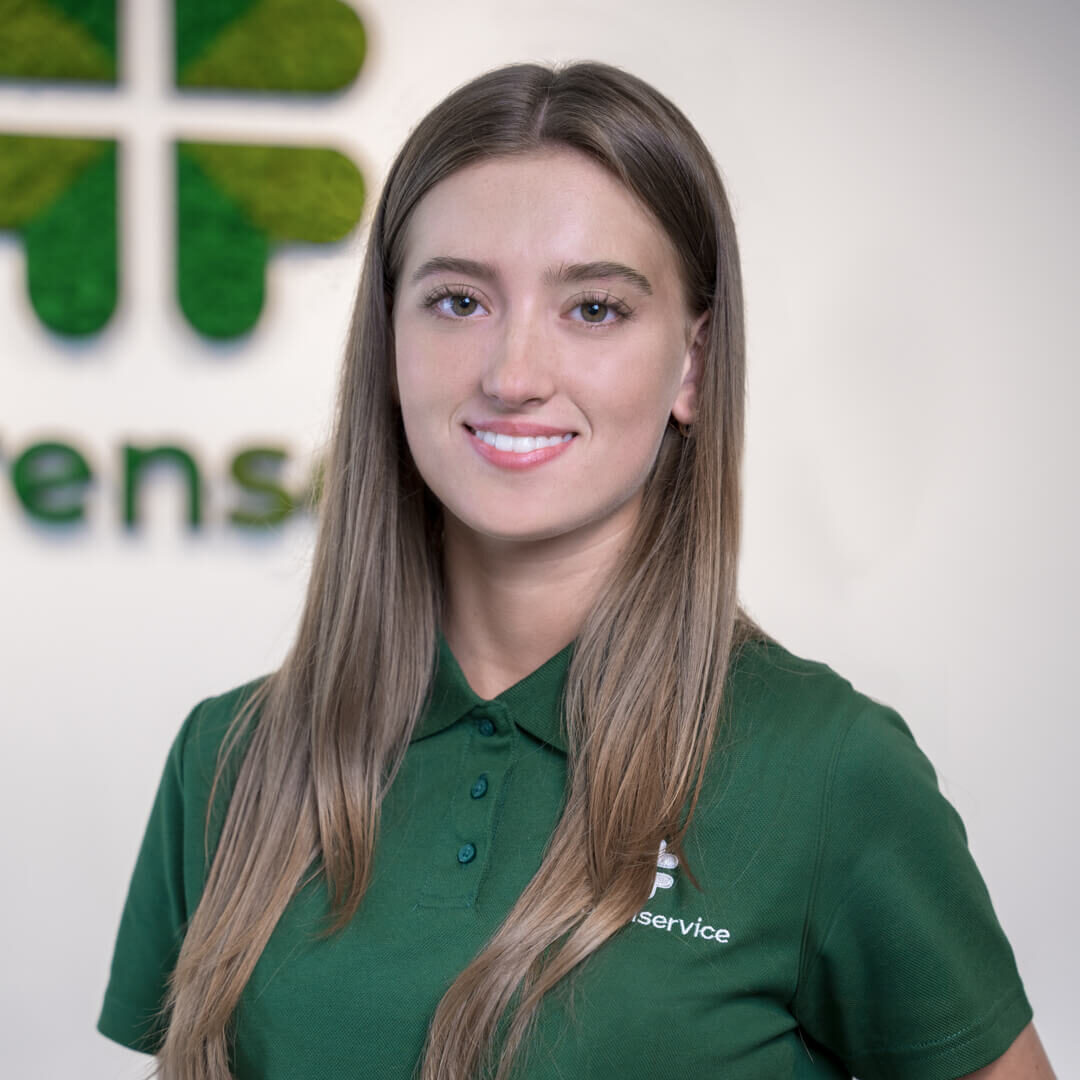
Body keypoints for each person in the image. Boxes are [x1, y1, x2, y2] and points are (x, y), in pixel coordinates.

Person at [97, 61, 1053, 1080]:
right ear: (388, 341)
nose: (513, 375)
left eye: (593, 309)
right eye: (457, 300)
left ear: (693, 364)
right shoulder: (231, 759)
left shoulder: (828, 771)